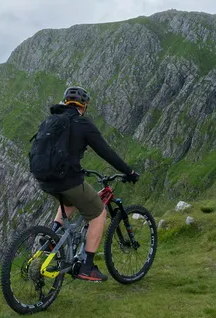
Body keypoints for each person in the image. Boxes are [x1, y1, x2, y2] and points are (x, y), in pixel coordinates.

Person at [31, 86, 139, 282]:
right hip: (68, 180)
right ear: (84, 105)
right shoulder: (82, 123)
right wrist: (129, 172)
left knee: (69, 201)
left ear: (66, 102)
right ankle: (87, 266)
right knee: (99, 213)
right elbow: (106, 152)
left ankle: (51, 239)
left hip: (44, 179)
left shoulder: (52, 120)